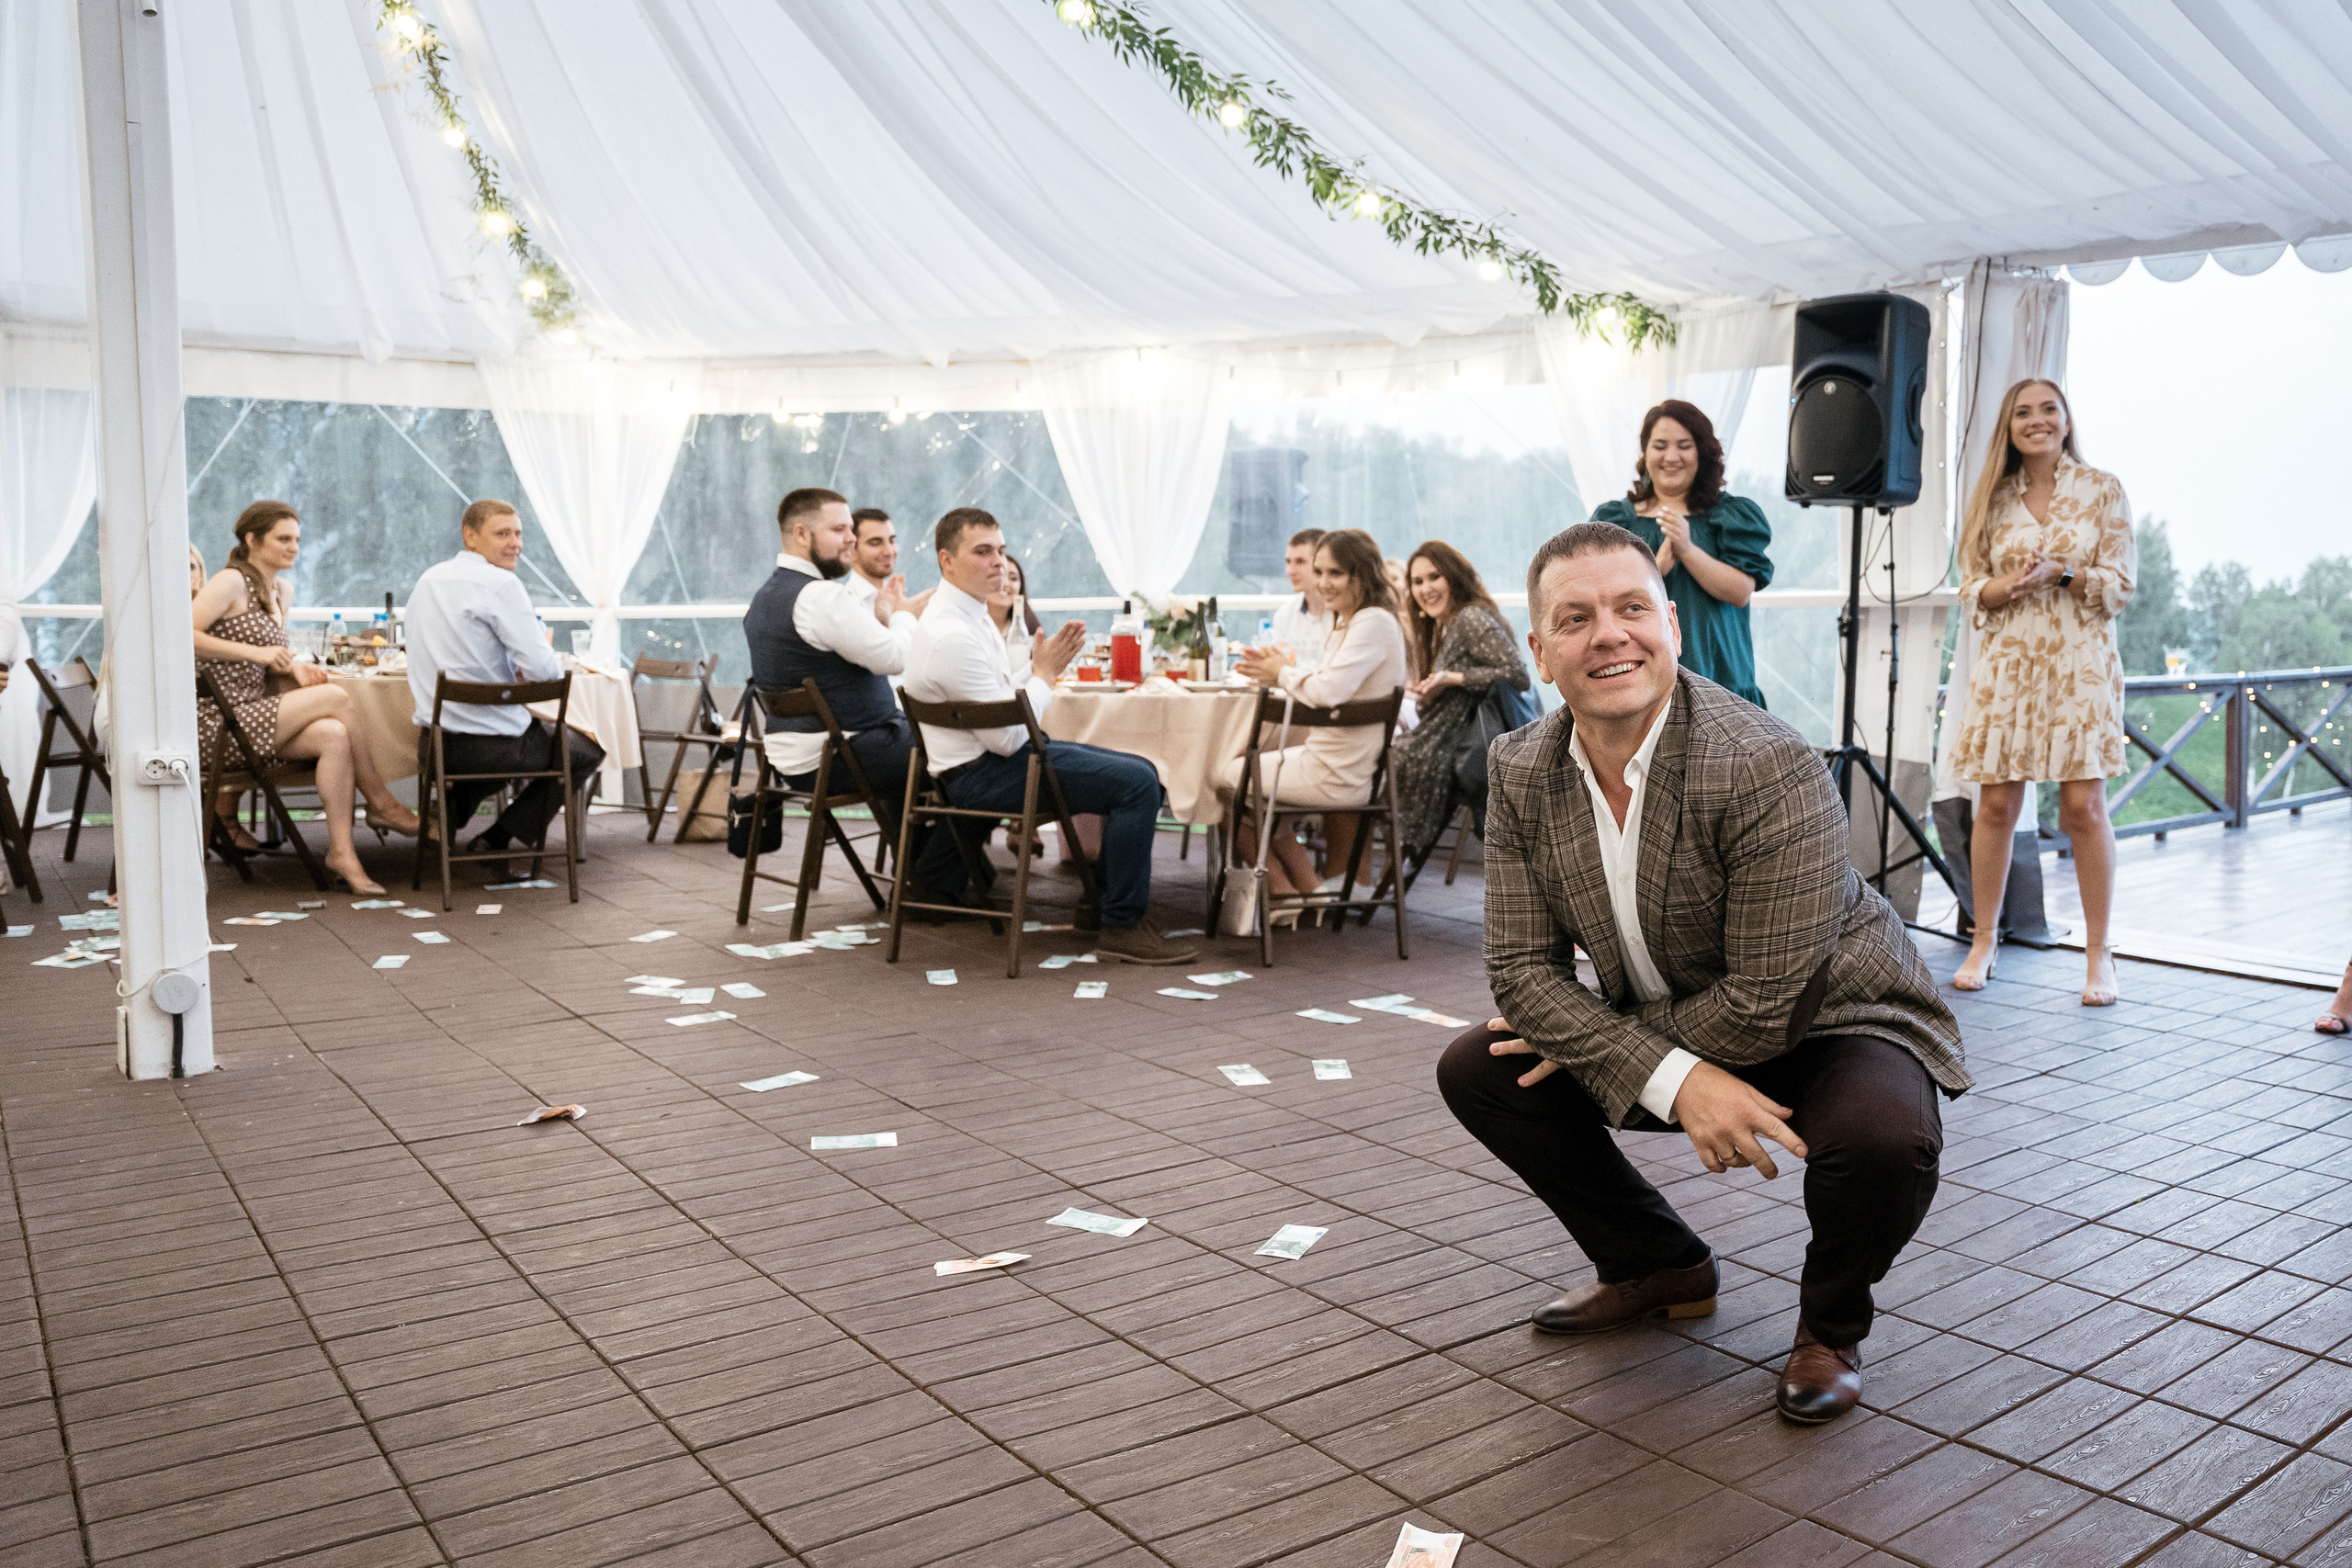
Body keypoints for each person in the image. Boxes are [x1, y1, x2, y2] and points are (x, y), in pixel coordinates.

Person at [1436, 521, 1967, 1424]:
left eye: (1631, 608)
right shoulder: (1519, 766)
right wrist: (1678, 1077)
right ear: (1540, 650)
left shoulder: (1766, 762)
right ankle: (1659, 1264)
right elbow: (1520, 973)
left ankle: (1830, 1328)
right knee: (1481, 1068)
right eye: (1575, 618)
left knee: (1884, 1137)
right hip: (1678, 1012)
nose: (1608, 634)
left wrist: (1645, 1062)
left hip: (1832, 1016)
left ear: (1672, 627)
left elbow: (1768, 999)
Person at [901, 507, 1197, 964]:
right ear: (947, 561)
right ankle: (1121, 926)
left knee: (1142, 769)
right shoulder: (951, 634)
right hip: (981, 775)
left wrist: (1038, 668)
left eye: (1001, 550)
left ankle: (1100, 908)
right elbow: (1005, 738)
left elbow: (999, 697)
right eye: (983, 552)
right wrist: (1044, 675)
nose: (999, 563)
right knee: (1138, 783)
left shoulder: (966, 616)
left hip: (990, 761)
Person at [1942, 379, 2135, 1006]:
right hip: (2008, 666)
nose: (2037, 420)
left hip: (2080, 665)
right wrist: (2008, 587)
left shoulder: (2102, 489)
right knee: (1996, 806)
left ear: (2067, 419)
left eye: (2048, 409)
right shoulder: (1993, 498)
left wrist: (2064, 573)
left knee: (2084, 808)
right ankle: (1984, 939)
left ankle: (2100, 955)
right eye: (2022, 412)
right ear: (2009, 427)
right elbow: (1971, 586)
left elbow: (2121, 585)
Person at [192, 501, 420, 894]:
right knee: (336, 697)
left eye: (297, 539)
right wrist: (260, 654)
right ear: (252, 540)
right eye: (283, 539)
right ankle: (381, 802)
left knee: (334, 734)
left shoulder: (282, 590)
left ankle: (342, 853)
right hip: (216, 721)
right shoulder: (230, 581)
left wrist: (289, 667)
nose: (294, 547)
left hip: (250, 717)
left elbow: (267, 658)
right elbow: (183, 634)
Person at [404, 499, 605, 880]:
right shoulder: (501, 584)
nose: (516, 543)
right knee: (585, 750)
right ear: (470, 536)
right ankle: (496, 840)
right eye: (502, 534)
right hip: (493, 747)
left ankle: (445, 816)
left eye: (518, 533)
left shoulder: (427, 580)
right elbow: (544, 672)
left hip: (436, 746)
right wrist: (523, 671)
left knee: (514, 738)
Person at [1226, 527, 1408, 912]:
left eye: (1335, 573)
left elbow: (1327, 692)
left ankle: (1286, 890)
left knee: (1221, 778)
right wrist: (1283, 670)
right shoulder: (1354, 620)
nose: (1324, 583)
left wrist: (1281, 673)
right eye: (1320, 572)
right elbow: (1329, 683)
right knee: (1245, 781)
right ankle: (1308, 887)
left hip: (1337, 772)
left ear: (1362, 575)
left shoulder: (1371, 622)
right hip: (1344, 763)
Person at [745, 487, 920, 814]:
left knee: (939, 749)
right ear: (801, 534)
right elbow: (896, 658)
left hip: (792, 760)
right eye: (839, 529)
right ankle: (936, 849)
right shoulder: (822, 597)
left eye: (851, 529)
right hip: (839, 757)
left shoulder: (764, 597)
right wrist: (904, 613)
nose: (851, 539)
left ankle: (909, 845)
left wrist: (882, 619)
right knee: (962, 749)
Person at [1588, 400, 1773, 708]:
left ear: (1702, 453)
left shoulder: (1731, 515)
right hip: (1637, 678)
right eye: (1660, 446)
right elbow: (1600, 595)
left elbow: (1740, 592)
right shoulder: (1614, 520)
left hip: (1721, 676)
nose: (1671, 457)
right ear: (1645, 453)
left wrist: (1687, 549)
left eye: (1684, 446)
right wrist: (1656, 568)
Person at [1392, 540, 1531, 857]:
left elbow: (1516, 674)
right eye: (1417, 581)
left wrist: (1452, 678)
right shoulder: (1447, 625)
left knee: (1387, 759)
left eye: (1434, 577)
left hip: (1469, 745)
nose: (1426, 588)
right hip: (1455, 738)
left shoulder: (1470, 618)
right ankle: (1395, 861)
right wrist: (1433, 692)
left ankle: (1388, 862)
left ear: (1454, 577)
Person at [1270, 528, 1332, 672]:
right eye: (1288, 562)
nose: (1290, 571)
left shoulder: (1344, 614)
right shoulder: (1284, 615)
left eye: (1300, 562)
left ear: (1322, 564)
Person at [987, 551, 1044, 682]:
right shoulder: (973, 627)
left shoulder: (1030, 630)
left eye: (1013, 578)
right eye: (999, 576)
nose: (1006, 584)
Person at [845, 508, 897, 609]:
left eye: (892, 541)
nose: (889, 552)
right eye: (875, 543)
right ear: (852, 550)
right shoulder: (847, 603)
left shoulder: (898, 597)